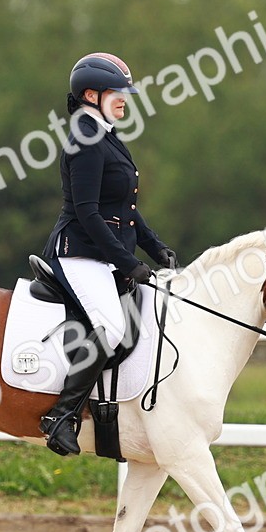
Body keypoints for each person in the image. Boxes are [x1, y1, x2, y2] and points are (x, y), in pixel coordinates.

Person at [39, 52, 176, 456]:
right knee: (111, 327)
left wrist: (154, 247)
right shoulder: (84, 137)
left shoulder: (105, 134)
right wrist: (128, 261)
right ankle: (61, 416)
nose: (124, 99)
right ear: (91, 94)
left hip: (101, 254)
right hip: (79, 254)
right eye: (118, 93)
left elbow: (124, 210)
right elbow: (87, 211)